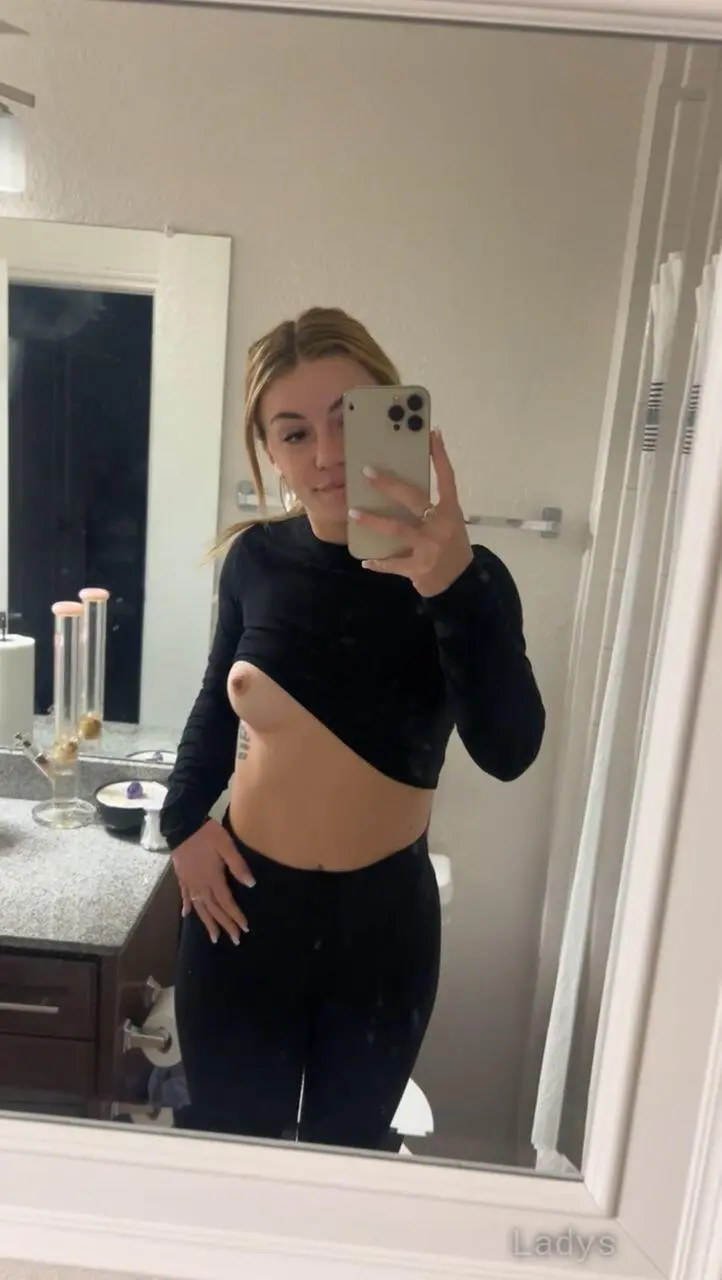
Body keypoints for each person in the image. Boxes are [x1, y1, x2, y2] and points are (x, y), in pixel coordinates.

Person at [160, 306, 545, 1151]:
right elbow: (213, 703)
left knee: (349, 1163)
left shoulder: (471, 578)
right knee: (228, 1153)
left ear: (395, 413)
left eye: (347, 420)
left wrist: (452, 588)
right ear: (270, 452)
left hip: (383, 925)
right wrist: (182, 821)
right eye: (295, 433)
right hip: (241, 912)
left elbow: (509, 751)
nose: (327, 456)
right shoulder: (256, 561)